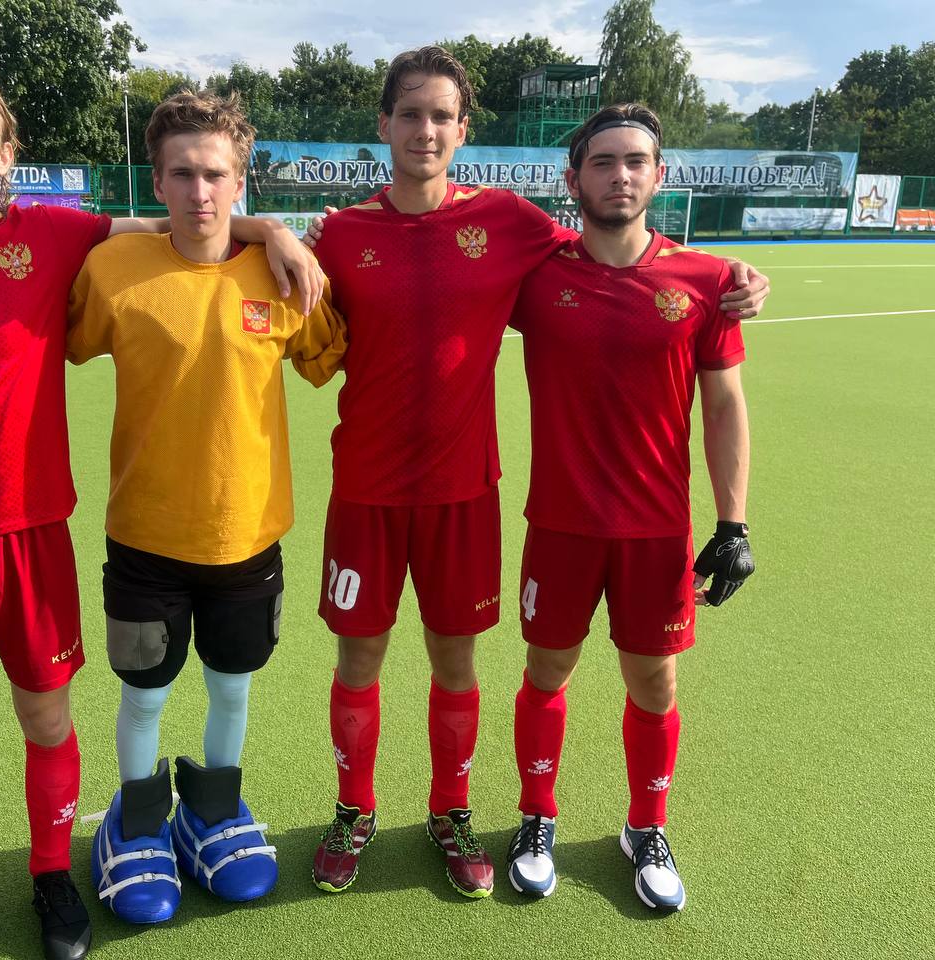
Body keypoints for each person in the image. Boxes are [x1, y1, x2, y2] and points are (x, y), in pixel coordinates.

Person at [0, 57, 320, 960]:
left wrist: (274, 228)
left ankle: (53, 875)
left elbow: (187, 218)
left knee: (49, 721)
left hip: (32, 536)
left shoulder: (53, 235)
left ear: (5, 151)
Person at [301, 46, 768, 899]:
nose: (426, 130)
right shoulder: (340, 233)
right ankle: (353, 809)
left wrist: (733, 278)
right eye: (411, 114)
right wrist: (274, 233)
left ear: (463, 130)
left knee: (458, 663)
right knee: (359, 656)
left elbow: (617, 250)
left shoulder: (511, 224)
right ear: (384, 125)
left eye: (442, 116)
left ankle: (452, 812)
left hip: (464, 491)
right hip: (364, 488)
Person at [67, 90, 344, 925]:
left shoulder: (282, 274)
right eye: (182, 174)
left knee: (232, 688)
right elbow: (49, 325)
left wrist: (280, 237)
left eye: (216, 174)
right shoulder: (113, 271)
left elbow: (332, 357)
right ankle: (137, 819)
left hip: (247, 537)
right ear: (156, 182)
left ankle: (214, 809)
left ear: (239, 180)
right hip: (145, 536)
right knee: (145, 695)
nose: (200, 191)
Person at [503, 103, 754, 912]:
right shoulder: (537, 271)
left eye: (635, 161)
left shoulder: (706, 281)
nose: (621, 175)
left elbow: (724, 405)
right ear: (573, 178)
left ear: (659, 174)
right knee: (548, 671)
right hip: (560, 524)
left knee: (654, 679)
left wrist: (734, 522)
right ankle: (536, 817)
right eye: (603, 162)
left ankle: (646, 828)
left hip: (656, 530)